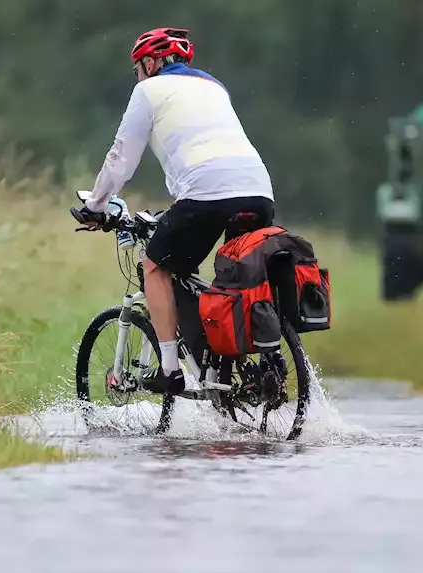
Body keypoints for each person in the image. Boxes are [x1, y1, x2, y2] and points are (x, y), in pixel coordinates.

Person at [71, 27, 275, 396]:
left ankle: (169, 369)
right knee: (232, 278)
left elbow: (120, 159)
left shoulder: (147, 90)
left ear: (149, 63)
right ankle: (251, 369)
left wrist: (95, 206)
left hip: (204, 194)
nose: (137, 74)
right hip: (259, 192)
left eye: (137, 67)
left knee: (155, 265)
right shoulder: (215, 87)